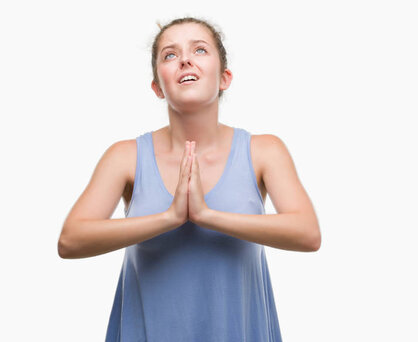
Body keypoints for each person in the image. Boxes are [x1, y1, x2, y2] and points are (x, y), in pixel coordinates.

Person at [57, 17, 321, 341]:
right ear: (157, 86)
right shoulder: (125, 157)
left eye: (199, 49)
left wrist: (207, 216)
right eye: (170, 55)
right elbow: (70, 241)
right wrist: (169, 218)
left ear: (224, 78)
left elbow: (308, 234)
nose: (184, 59)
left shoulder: (264, 151)